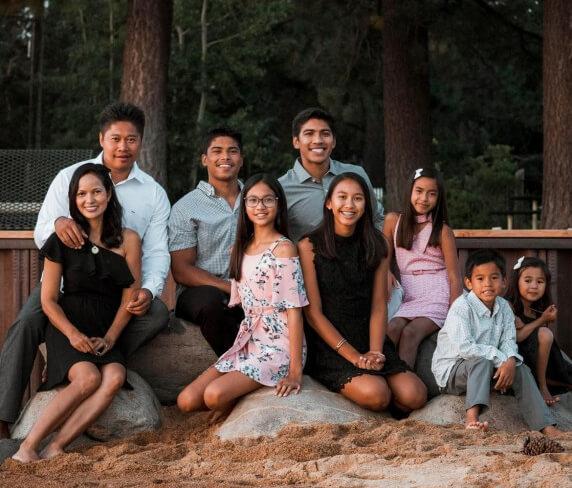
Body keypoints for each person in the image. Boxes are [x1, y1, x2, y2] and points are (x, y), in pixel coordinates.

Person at [0, 102, 171, 439]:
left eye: (131, 139)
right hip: (70, 284)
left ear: (141, 141)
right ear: (102, 139)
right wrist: (59, 221)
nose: (123, 147)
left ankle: (102, 355)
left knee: (157, 313)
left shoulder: (153, 193)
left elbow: (156, 252)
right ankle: (3, 416)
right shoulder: (70, 176)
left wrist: (148, 289)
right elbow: (41, 232)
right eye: (116, 138)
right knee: (28, 321)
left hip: (115, 290)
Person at [12, 163, 141, 462]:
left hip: (106, 327)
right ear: (73, 199)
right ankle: (27, 448)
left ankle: (57, 446)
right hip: (67, 326)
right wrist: (73, 335)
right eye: (81, 194)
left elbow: (129, 297)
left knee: (114, 376)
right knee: (87, 379)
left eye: (96, 191)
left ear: (109, 194)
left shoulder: (128, 239)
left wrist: (110, 337)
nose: (89, 199)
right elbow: (48, 301)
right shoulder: (62, 239)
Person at [177, 174, 307, 415]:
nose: (260, 206)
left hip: (278, 346)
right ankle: (238, 389)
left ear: (278, 205)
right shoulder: (240, 249)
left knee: (214, 396)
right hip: (248, 341)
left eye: (268, 200)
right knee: (186, 401)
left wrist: (295, 371)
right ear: (244, 205)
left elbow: (294, 311)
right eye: (253, 200)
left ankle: (240, 394)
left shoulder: (284, 249)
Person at [298, 172, 427, 414]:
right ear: (329, 203)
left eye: (357, 198)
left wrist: (375, 350)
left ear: (366, 204)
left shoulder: (378, 244)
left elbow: (379, 305)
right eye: (342, 197)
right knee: (377, 394)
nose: (349, 205)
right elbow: (313, 314)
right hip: (331, 343)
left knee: (415, 395)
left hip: (369, 335)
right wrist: (354, 356)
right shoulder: (308, 246)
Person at [431, 249, 562, 435]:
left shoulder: (504, 308)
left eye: (494, 278)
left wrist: (510, 359)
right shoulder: (461, 307)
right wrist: (502, 358)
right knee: (481, 361)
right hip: (454, 372)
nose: (488, 284)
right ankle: (472, 420)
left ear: (504, 281)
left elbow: (509, 341)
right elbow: (466, 349)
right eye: (480, 278)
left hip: (488, 365)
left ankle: (546, 425)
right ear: (469, 283)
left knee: (520, 367)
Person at [168, 127, 244, 356]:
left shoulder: (257, 199)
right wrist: (230, 288)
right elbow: (181, 270)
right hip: (201, 290)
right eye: (217, 151)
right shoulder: (186, 207)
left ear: (241, 159)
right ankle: (238, 366)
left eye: (233, 151)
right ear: (204, 159)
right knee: (211, 305)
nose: (225, 157)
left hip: (251, 283)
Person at [382, 167, 462, 368]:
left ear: (439, 197)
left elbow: (454, 276)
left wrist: (454, 313)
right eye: (419, 191)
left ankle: (404, 384)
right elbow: (383, 258)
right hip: (410, 295)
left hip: (437, 294)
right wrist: (387, 271)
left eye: (431, 193)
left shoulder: (442, 230)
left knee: (410, 333)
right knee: (392, 328)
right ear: (410, 191)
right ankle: (384, 377)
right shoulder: (393, 221)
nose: (424, 198)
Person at [505, 256, 572, 405]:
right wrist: (542, 320)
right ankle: (542, 387)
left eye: (540, 282)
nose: (534, 286)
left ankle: (551, 381)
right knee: (545, 333)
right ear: (517, 282)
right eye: (528, 281)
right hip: (520, 359)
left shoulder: (536, 309)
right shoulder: (509, 306)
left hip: (539, 358)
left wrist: (544, 318)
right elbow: (518, 337)